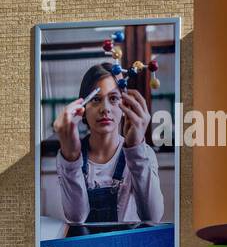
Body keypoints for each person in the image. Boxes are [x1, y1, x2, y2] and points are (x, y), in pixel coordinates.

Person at [51, 62, 164, 225]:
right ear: (82, 107)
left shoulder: (144, 153)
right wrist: (71, 158)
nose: (105, 108)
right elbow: (76, 218)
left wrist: (135, 150)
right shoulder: (69, 156)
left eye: (113, 98)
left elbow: (152, 217)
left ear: (125, 105)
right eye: (96, 99)